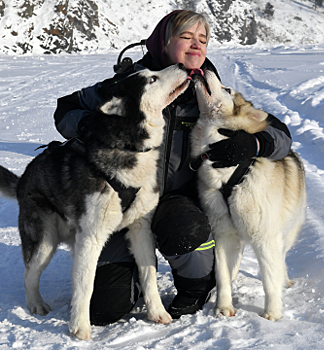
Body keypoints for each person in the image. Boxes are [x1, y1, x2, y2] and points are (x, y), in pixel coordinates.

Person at [53, 10, 293, 325]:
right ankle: (132, 279)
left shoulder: (211, 92)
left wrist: (255, 144)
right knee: (104, 309)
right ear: (164, 41)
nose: (196, 46)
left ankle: (196, 287)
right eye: (186, 37)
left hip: (178, 201)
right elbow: (66, 108)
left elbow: (280, 135)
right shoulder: (129, 84)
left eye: (203, 40)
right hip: (122, 199)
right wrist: (90, 125)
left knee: (189, 240)